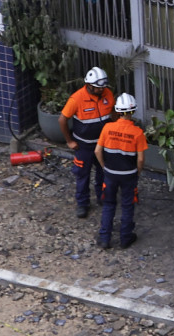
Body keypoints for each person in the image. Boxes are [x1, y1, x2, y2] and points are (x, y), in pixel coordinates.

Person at [95, 92, 147, 251]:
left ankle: (105, 238)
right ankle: (125, 238)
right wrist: (137, 173)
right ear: (133, 111)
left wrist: (105, 167)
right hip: (129, 175)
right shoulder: (138, 133)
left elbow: (97, 151)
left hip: (110, 173)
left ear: (117, 111)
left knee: (109, 204)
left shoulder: (107, 128)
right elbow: (140, 159)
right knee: (127, 205)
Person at [60, 67, 112, 218]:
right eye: (98, 88)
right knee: (82, 175)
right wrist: (69, 141)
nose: (101, 90)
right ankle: (83, 204)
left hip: (102, 145)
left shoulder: (107, 94)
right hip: (84, 146)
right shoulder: (76, 99)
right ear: (89, 85)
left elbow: (113, 114)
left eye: (103, 87)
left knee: (103, 172)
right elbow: (62, 119)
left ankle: (103, 197)